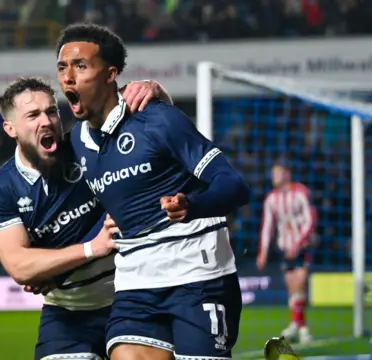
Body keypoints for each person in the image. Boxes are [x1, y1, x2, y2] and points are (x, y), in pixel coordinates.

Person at [58, 23, 251, 360]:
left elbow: (234, 185)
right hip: (136, 283)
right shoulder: (76, 144)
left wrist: (192, 205)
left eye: (81, 66)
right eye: (62, 68)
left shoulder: (157, 119)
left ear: (110, 74)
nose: (68, 78)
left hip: (199, 274)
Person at [0, 77, 171, 360]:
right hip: (68, 315)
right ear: (11, 128)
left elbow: (157, 133)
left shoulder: (86, 142)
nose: (46, 121)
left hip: (134, 296)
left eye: (51, 111)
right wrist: (92, 247)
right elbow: (20, 266)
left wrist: (156, 92)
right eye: (32, 115)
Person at [257, 163, 316, 344]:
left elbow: (310, 218)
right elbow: (267, 226)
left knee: (299, 283)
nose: (274, 176)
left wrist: (299, 243)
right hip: (284, 246)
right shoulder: (271, 199)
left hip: (302, 245)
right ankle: (299, 324)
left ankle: (301, 327)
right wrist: (263, 252)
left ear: (287, 174)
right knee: (292, 287)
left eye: (278, 173)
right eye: (273, 173)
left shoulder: (300, 192)